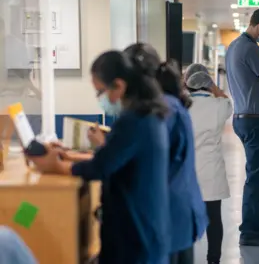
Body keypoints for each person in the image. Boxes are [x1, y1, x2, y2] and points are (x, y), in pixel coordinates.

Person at [28, 50, 172, 264]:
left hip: (136, 236)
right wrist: (67, 157)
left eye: (100, 92)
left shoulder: (134, 121)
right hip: (145, 230)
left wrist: (55, 167)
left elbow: (100, 167)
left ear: (119, 86)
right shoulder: (148, 115)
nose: (100, 99)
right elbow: (113, 157)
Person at [123, 43, 209, 264]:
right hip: (180, 210)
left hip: (170, 213)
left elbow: (147, 156)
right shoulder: (171, 104)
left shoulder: (163, 111)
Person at [225, 8, 259, 247]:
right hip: (255, 120)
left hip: (241, 117)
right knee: (257, 178)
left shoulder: (234, 47)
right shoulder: (251, 49)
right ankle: (250, 232)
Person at [186, 69, 232, 264]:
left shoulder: (182, 107)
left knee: (186, 220)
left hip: (188, 172)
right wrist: (216, 89)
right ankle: (213, 259)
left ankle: (184, 257)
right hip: (211, 170)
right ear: (209, 85)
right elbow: (227, 101)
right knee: (214, 219)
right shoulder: (219, 105)